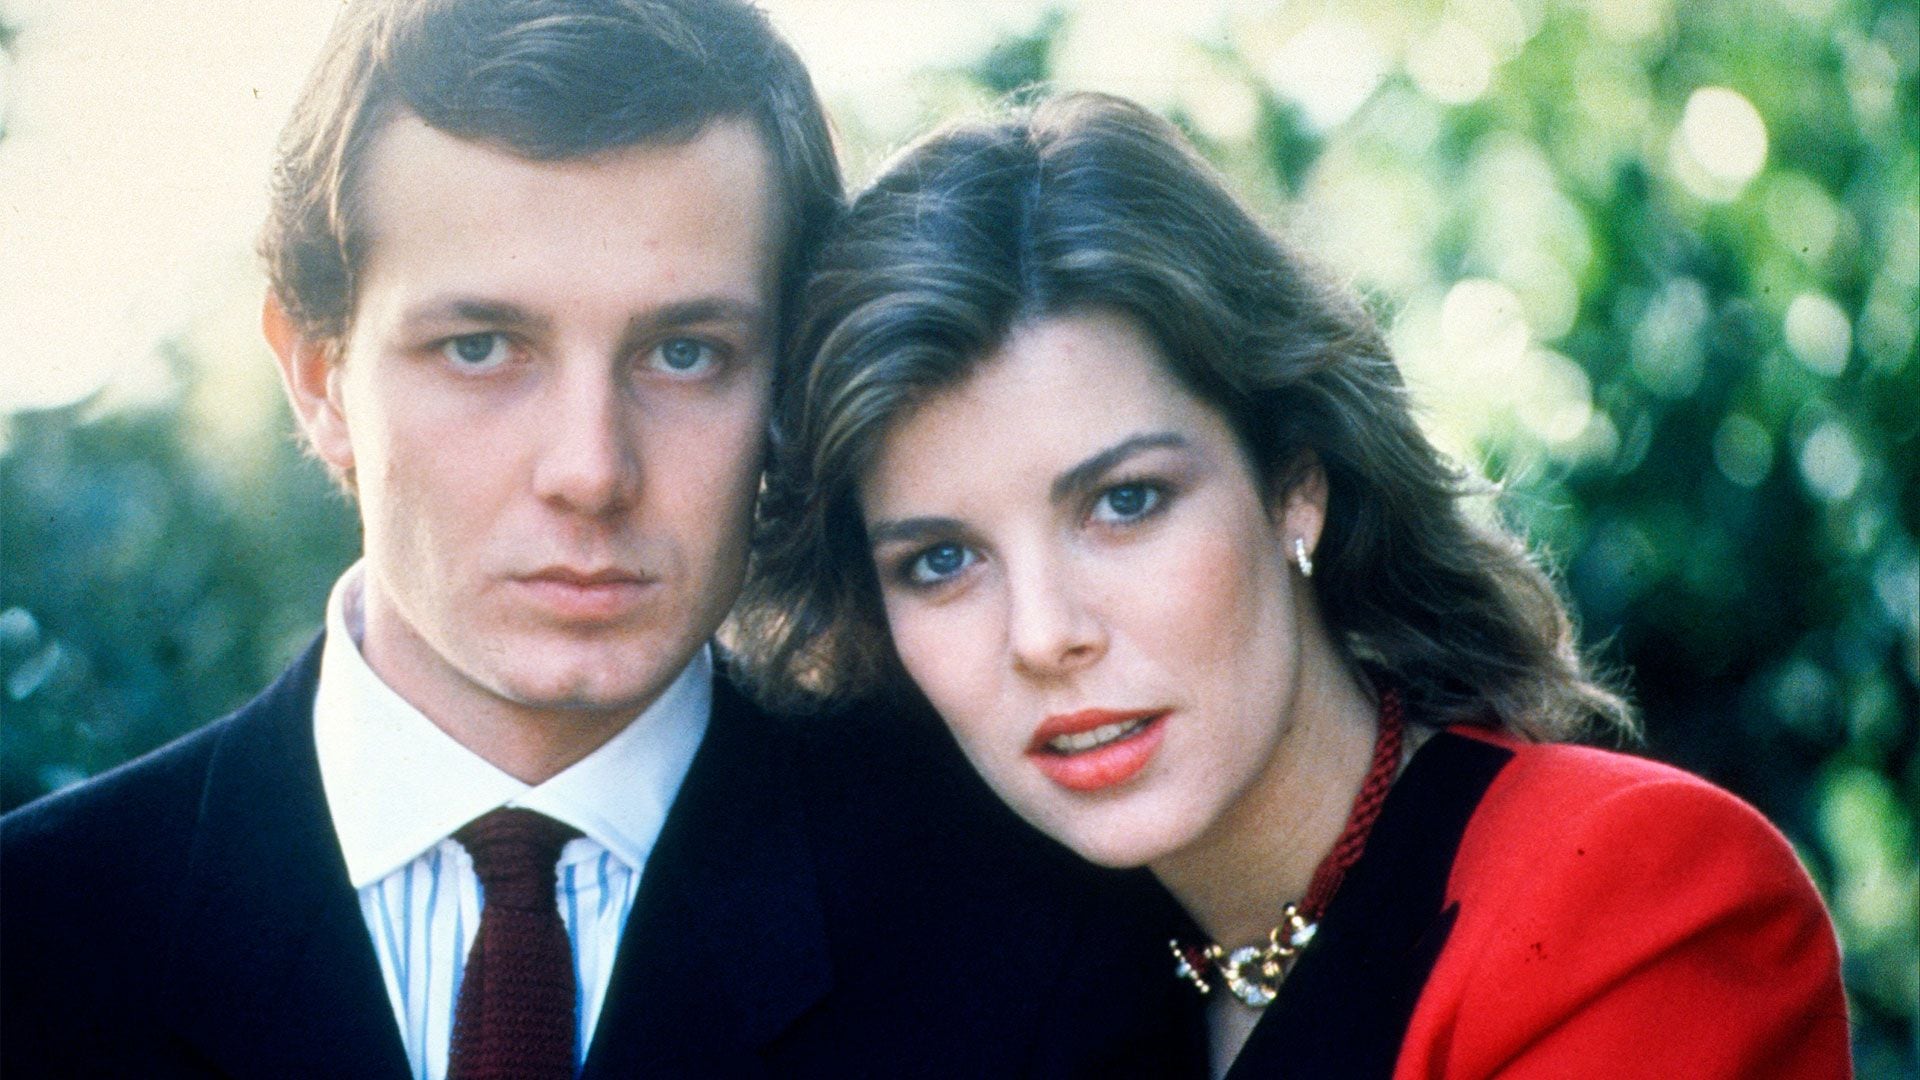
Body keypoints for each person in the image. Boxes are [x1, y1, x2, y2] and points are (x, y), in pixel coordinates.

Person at [0, 10, 1201, 1078]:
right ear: (319, 377)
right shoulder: (37, 937)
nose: (591, 469)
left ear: (783, 387)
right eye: (482, 348)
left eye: (685, 353)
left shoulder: (1030, 932)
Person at [737, 92, 1854, 1079]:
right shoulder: (1010, 969)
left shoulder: (1634, 905)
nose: (1044, 634)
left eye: (1124, 503)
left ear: (1295, 486)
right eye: (942, 561)